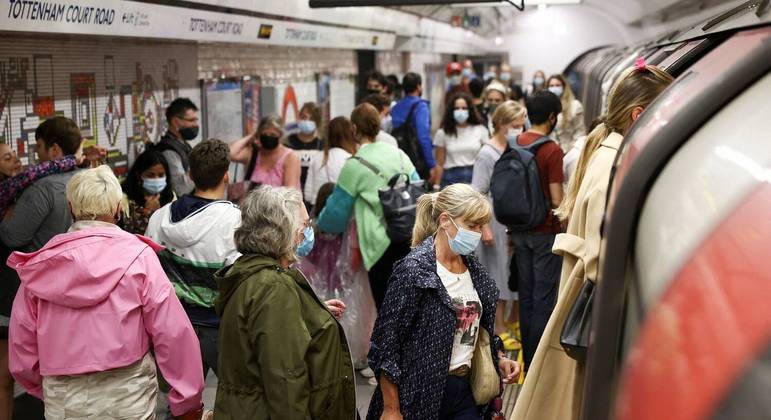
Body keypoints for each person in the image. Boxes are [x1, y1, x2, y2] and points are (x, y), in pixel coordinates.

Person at [512, 63, 673, 420]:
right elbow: (605, 263)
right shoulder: (614, 167)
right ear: (639, 115)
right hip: (592, 321)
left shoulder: (605, 154)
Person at [7, 165, 204, 419]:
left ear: (70, 208)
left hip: (64, 397)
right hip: (128, 394)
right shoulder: (139, 257)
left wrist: (48, 387)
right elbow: (172, 332)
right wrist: (187, 400)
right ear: (118, 209)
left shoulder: (41, 267)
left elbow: (22, 347)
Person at [367, 183, 520, 420]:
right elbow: (385, 345)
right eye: (472, 225)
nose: (478, 233)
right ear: (445, 220)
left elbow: (478, 329)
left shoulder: (474, 270)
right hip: (418, 396)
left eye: (481, 226)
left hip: (466, 391)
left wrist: (497, 357)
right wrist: (391, 408)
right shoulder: (414, 271)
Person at [214, 185, 355, 419]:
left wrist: (310, 312)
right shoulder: (274, 287)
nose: (306, 233)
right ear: (282, 230)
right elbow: (285, 379)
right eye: (304, 225)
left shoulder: (251, 273)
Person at [145, 139, 241, 386]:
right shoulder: (234, 222)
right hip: (220, 329)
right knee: (238, 400)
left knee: (180, 404)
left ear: (190, 174)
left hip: (173, 328)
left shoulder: (158, 218)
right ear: (226, 177)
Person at [317, 103, 418, 310]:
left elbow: (336, 214)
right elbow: (419, 190)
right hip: (410, 236)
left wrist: (319, 224)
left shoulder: (355, 165)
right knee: (409, 304)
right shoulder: (399, 154)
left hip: (379, 244)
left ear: (354, 129)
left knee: (386, 308)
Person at [512, 90, 565, 369]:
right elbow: (557, 199)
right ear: (552, 117)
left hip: (519, 229)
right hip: (545, 231)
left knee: (527, 295)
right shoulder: (552, 150)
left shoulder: (515, 142)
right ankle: (537, 365)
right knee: (544, 298)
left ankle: (526, 359)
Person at [472, 101, 527, 341]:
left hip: (513, 218)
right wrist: (484, 227)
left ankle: (510, 325)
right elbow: (478, 192)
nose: (518, 130)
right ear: (501, 124)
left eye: (521, 125)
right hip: (494, 219)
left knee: (510, 273)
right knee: (497, 275)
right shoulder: (487, 153)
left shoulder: (516, 147)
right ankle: (497, 328)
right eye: (514, 125)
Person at [0, 117, 83, 252]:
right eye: (8, 158)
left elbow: (13, 238)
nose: (17, 160)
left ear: (54, 150)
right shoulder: (91, 177)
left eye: (38, 146)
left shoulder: (42, 188)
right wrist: (77, 159)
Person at [229, 114, 302, 191]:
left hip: (280, 202)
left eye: (272, 134)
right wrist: (251, 136)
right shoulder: (253, 153)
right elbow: (230, 154)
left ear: (280, 136)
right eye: (265, 134)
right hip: (253, 202)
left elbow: (290, 191)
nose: (268, 137)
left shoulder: (290, 157)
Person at [433, 92, 488, 188]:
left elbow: (486, 159)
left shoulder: (480, 130)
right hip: (451, 179)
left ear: (469, 110)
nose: (460, 111)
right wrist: (436, 186)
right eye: (457, 108)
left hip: (475, 176)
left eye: (464, 108)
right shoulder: (443, 132)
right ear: (451, 111)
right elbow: (439, 163)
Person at [391, 73, 435, 182]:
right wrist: (431, 164)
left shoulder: (395, 107)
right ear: (418, 87)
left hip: (398, 157)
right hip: (417, 161)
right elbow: (423, 137)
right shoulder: (421, 106)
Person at [304, 116, 357, 205]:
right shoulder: (351, 160)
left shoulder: (316, 158)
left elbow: (308, 195)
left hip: (317, 210)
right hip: (341, 210)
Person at [120, 150, 175, 235]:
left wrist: (158, 213)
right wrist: (146, 214)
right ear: (139, 175)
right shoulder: (125, 201)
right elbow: (127, 235)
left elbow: (173, 232)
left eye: (161, 175)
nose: (156, 179)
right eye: (150, 175)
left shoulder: (171, 197)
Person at [154, 97, 199, 196]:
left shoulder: (183, 145)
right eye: (191, 120)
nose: (196, 125)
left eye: (196, 120)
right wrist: (202, 168)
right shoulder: (168, 150)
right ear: (176, 122)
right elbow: (180, 188)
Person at [286, 102, 324, 196]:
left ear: (317, 122)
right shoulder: (288, 142)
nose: (307, 121)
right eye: (304, 117)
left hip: (314, 194)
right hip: (293, 192)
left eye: (311, 119)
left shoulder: (322, 144)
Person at [547, 74, 587, 151]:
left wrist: (572, 149)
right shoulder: (544, 105)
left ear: (564, 87)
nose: (554, 88)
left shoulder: (575, 106)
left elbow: (580, 131)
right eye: (551, 86)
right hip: (549, 152)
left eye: (557, 85)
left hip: (568, 151)